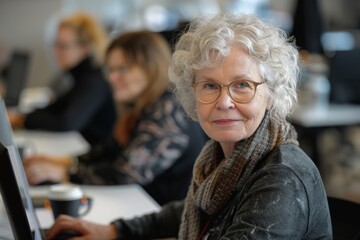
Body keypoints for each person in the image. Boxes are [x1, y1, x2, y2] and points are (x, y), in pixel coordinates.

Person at [46, 13, 332, 240]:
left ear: (271, 94)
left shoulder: (281, 178)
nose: (224, 101)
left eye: (242, 85)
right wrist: (113, 231)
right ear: (192, 93)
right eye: (209, 85)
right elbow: (190, 209)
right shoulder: (221, 157)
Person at [24, 30, 206, 206]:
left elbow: (127, 173)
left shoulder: (168, 111)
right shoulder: (144, 106)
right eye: (110, 70)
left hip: (164, 222)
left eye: (122, 69)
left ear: (150, 68)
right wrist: (55, 161)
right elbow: (107, 152)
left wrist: (64, 172)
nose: (111, 78)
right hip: (138, 204)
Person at [8, 12, 116, 145]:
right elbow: (58, 107)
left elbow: (66, 122)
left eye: (63, 46)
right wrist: (21, 118)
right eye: (56, 44)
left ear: (84, 48)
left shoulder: (94, 80)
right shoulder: (80, 75)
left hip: (92, 155)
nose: (55, 52)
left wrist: (23, 121)